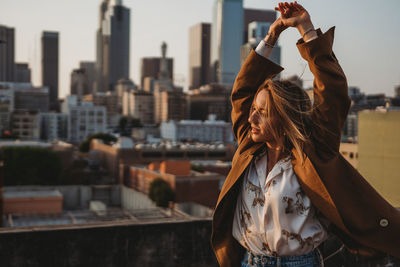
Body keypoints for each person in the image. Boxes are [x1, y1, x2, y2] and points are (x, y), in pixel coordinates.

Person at [211, 2, 400, 267]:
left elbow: (332, 92)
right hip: (248, 261)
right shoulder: (249, 147)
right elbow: (242, 92)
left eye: (262, 112)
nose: (251, 118)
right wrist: (271, 35)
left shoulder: (314, 152)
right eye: (252, 110)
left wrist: (306, 28)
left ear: (284, 116)